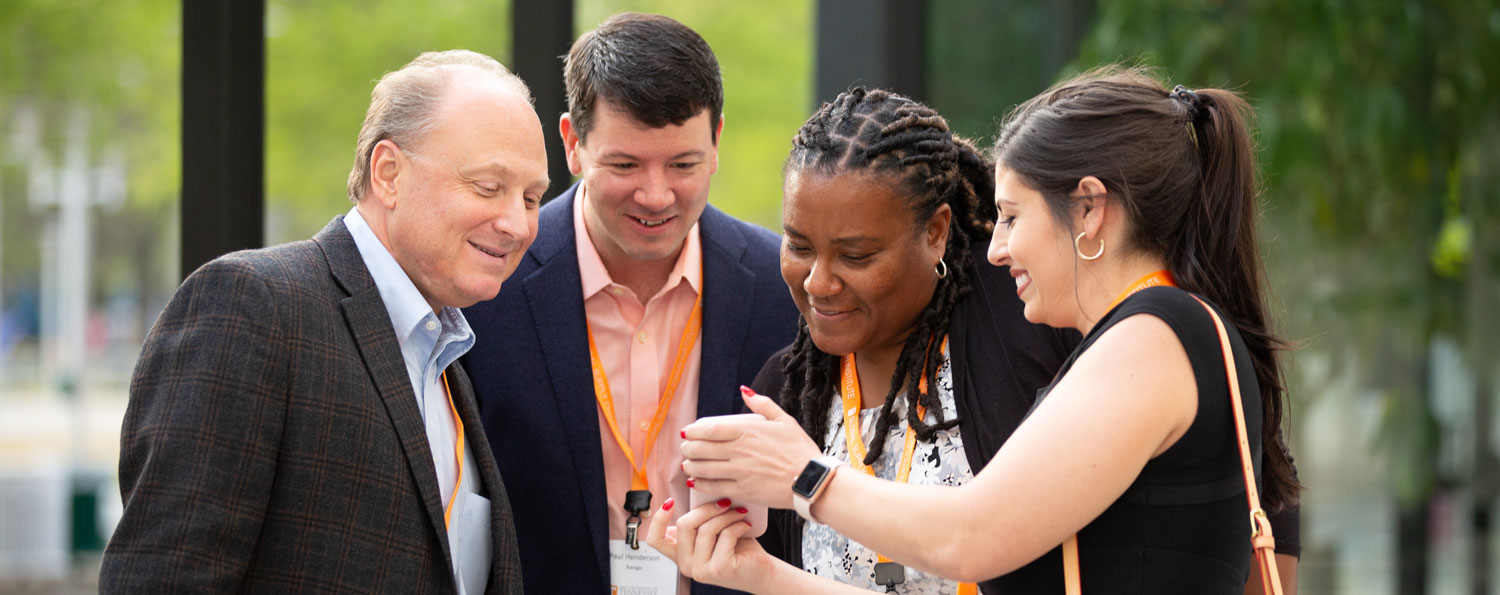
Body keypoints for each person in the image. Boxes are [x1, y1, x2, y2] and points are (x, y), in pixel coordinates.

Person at [655, 67, 1302, 594]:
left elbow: (970, 535)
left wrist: (805, 476)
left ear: (1090, 209)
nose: (997, 248)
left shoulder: (1153, 336)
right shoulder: (1159, 334)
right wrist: (762, 575)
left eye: (1014, 217)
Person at [100, 50, 546, 594]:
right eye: (488, 187)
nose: (518, 223)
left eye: (531, 197)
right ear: (389, 174)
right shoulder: (252, 305)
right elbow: (164, 579)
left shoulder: (447, 358)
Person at [459, 12, 800, 595]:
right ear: (571, 143)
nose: (656, 195)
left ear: (717, 141)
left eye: (683, 165)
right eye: (624, 165)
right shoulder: (488, 284)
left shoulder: (784, 288)